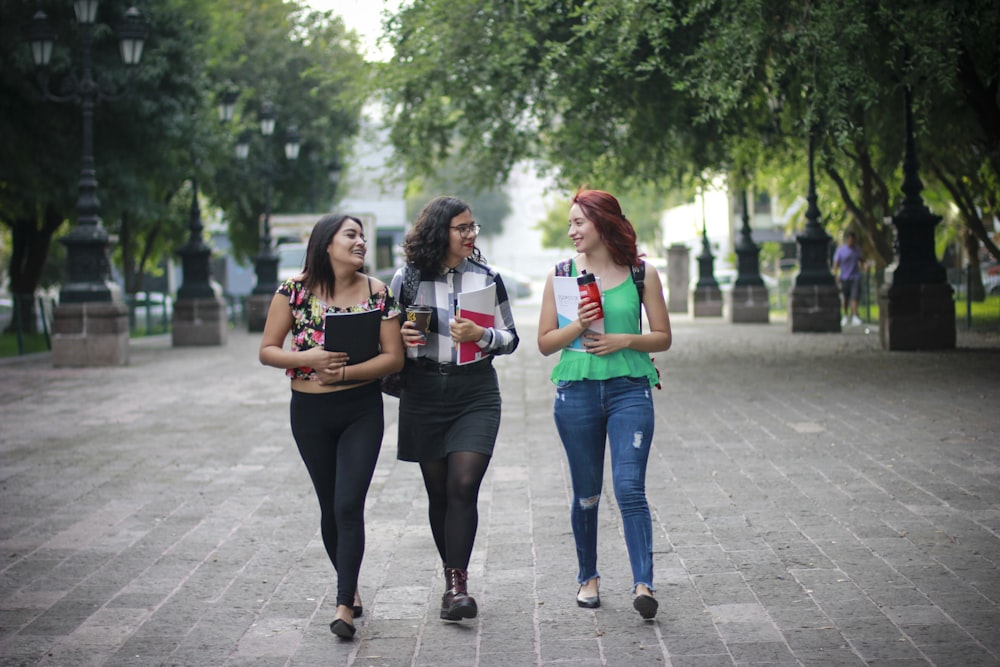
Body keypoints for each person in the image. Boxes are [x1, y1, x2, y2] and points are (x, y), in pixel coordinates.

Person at [259, 214, 404, 640]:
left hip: (361, 409)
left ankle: (343, 606)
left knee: (347, 504)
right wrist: (311, 359)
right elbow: (268, 350)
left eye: (362, 235)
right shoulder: (293, 291)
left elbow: (393, 358)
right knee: (329, 506)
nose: (360, 242)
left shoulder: (378, 292)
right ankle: (351, 585)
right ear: (326, 244)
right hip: (309, 414)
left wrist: (342, 373)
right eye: (351, 235)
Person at [537, 189, 672, 620]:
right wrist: (578, 322)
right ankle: (588, 576)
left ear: (602, 222)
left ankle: (643, 584)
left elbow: (663, 337)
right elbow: (544, 344)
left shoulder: (641, 273)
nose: (572, 231)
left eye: (579, 222)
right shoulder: (560, 275)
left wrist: (624, 340)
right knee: (587, 494)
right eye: (571, 223)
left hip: (630, 389)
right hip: (575, 392)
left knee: (630, 488)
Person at [389, 196, 519, 622]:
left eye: (473, 227)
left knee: (464, 485)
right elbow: (384, 343)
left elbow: (511, 338)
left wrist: (481, 334)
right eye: (461, 228)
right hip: (424, 392)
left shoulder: (487, 278)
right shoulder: (405, 281)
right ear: (438, 231)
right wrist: (404, 339)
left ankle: (458, 585)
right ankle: (451, 579)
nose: (470, 235)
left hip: (475, 391)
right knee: (439, 493)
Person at [833, 231, 864, 326]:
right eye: (850, 239)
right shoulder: (841, 250)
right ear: (847, 240)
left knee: (854, 297)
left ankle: (855, 316)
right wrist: (836, 275)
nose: (852, 241)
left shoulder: (857, 249)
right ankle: (845, 316)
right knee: (845, 298)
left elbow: (860, 259)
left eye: (853, 240)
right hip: (844, 277)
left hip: (855, 276)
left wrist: (864, 265)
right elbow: (836, 264)